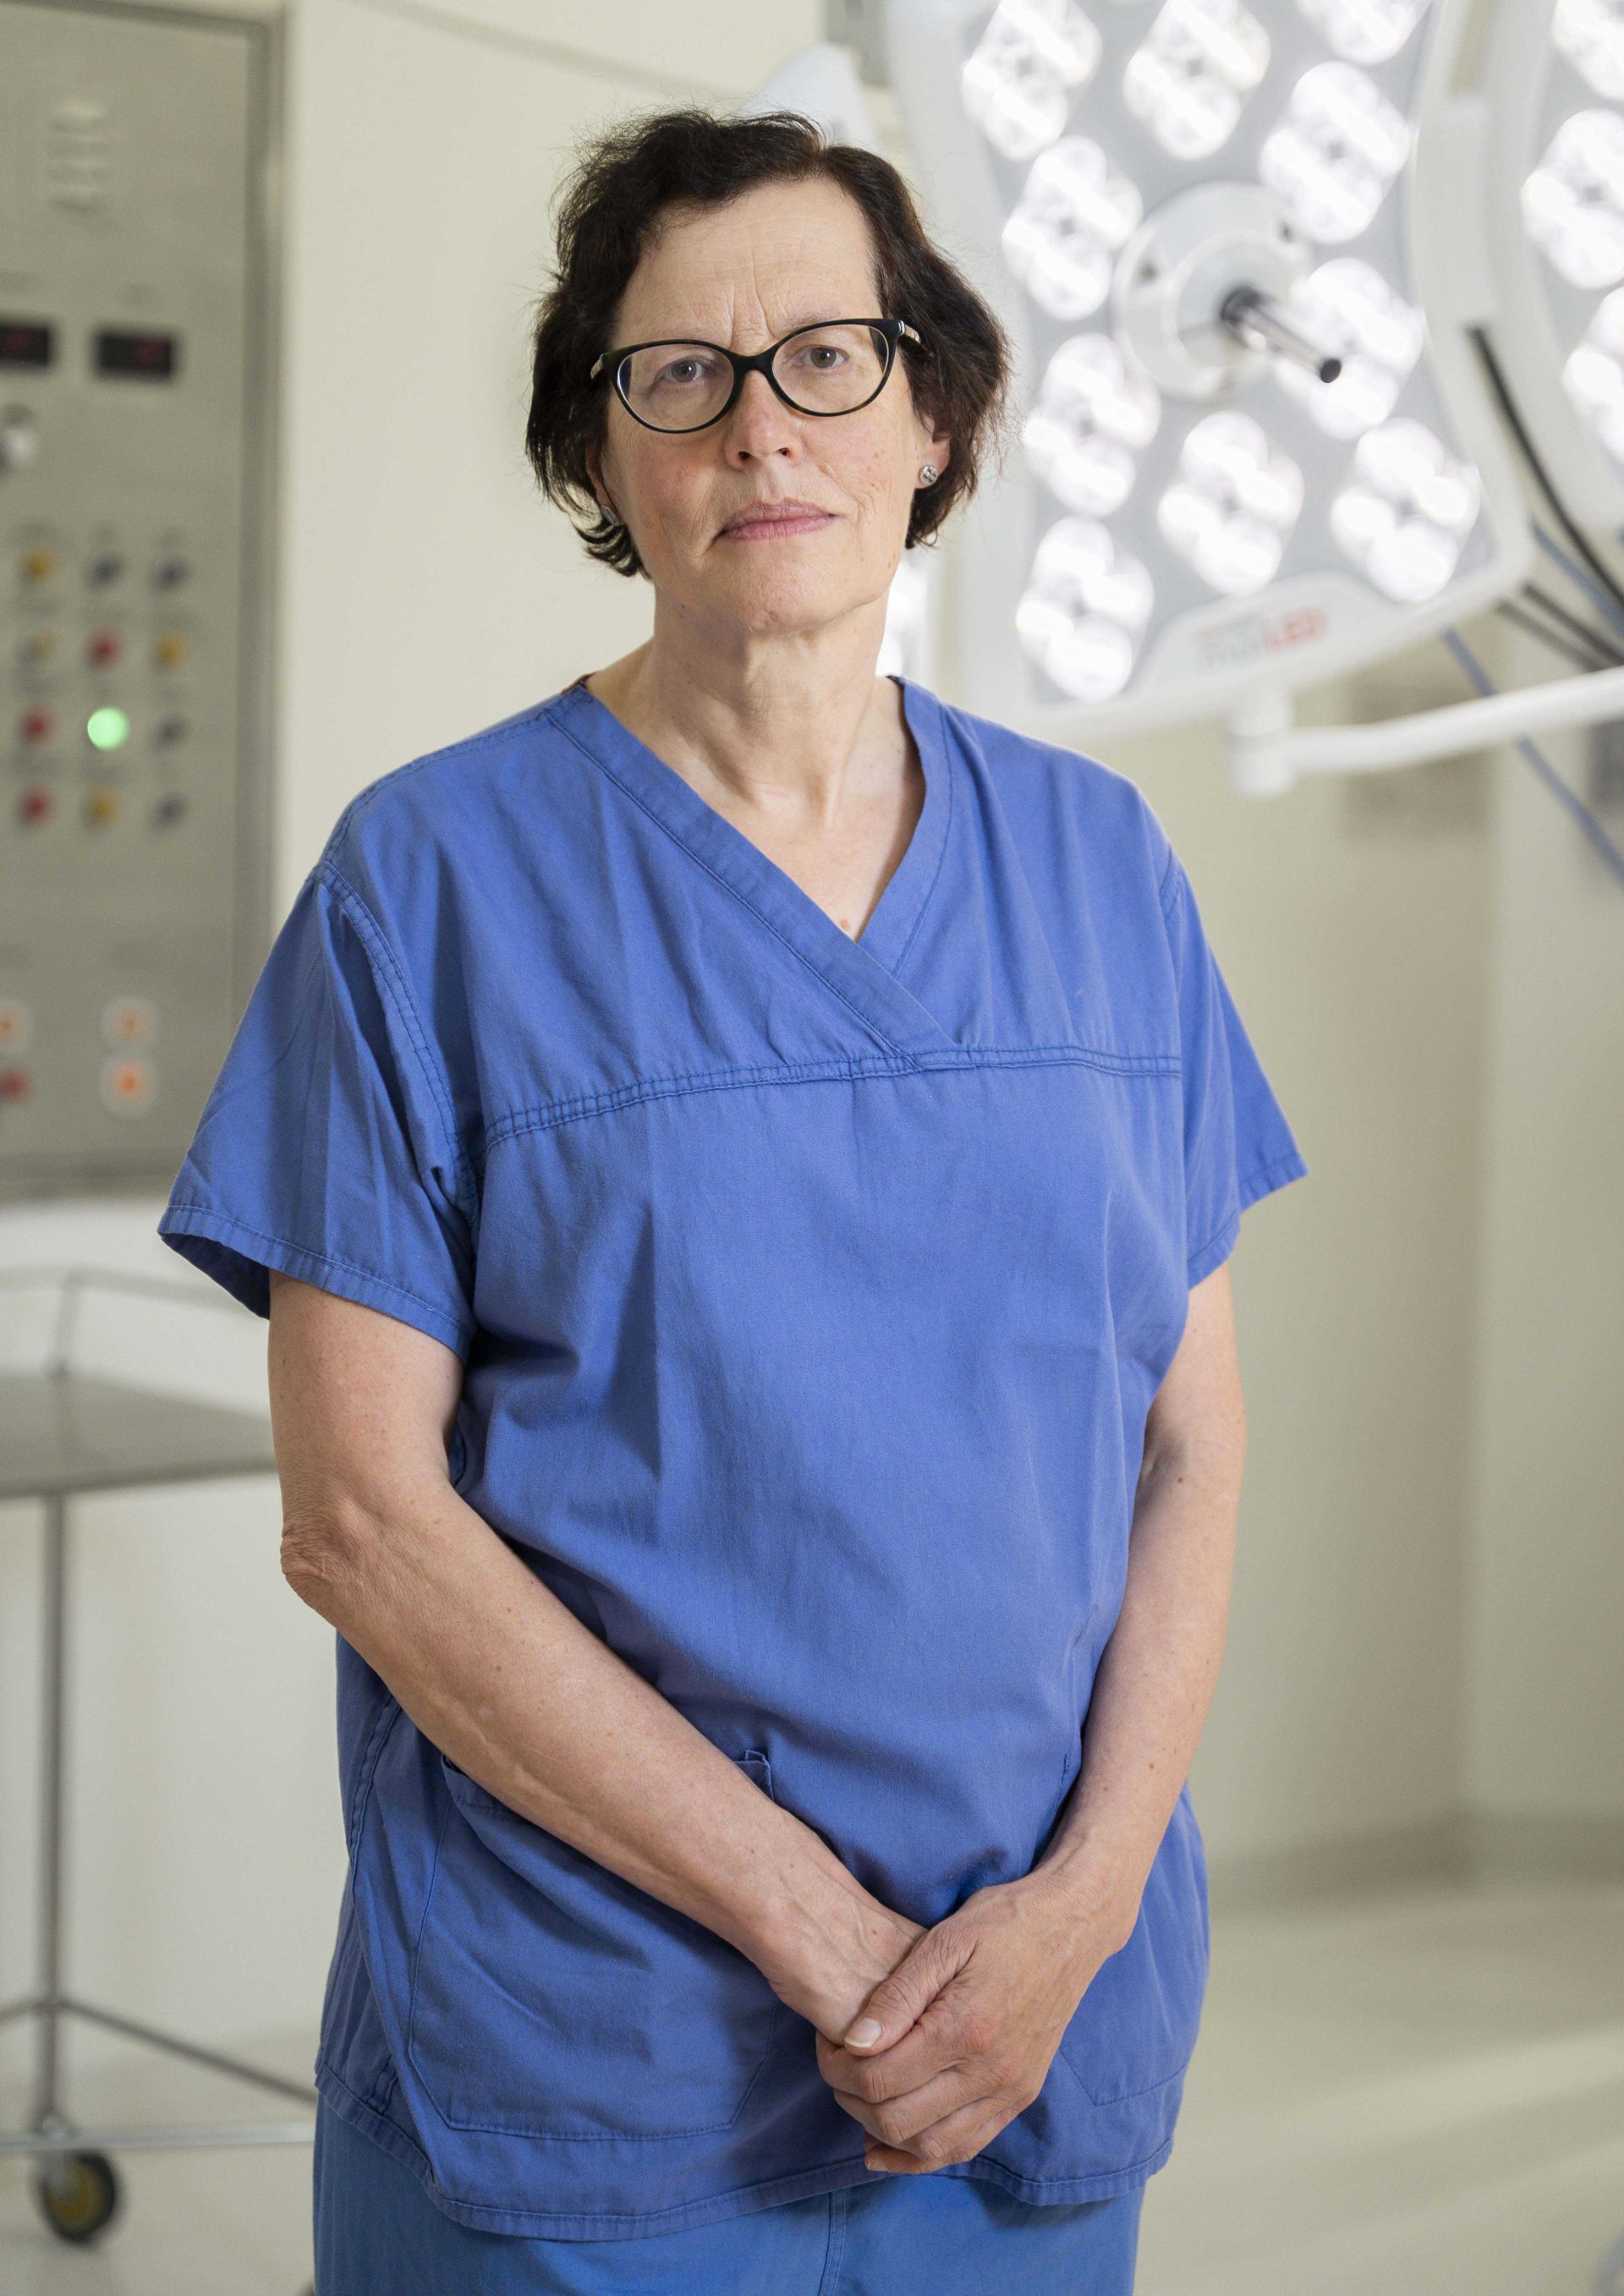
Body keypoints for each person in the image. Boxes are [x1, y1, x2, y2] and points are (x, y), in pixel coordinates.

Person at [156, 105, 1309, 2295]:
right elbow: (362, 1519)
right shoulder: (435, 883)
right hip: (598, 2049)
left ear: (938, 408)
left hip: (1027, 2035)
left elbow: (1194, 1435)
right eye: (676, 374)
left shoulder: (1102, 872)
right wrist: (832, 1939)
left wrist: (1064, 1920)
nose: (761, 426)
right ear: (604, 460)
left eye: (828, 357)